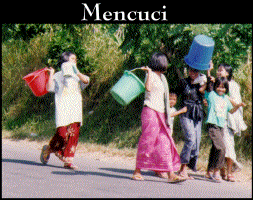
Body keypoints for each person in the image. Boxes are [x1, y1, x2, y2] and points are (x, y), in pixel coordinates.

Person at [132, 52, 186, 183]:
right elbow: (148, 88)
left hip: (161, 113)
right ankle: (137, 171)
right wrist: (149, 73)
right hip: (150, 111)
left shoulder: (163, 78)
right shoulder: (149, 75)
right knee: (148, 140)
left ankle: (171, 174)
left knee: (165, 141)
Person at [40, 51, 90, 170]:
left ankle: (68, 161)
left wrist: (77, 72)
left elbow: (86, 81)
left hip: (75, 108)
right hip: (63, 108)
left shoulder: (77, 76)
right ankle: (49, 148)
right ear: (65, 61)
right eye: (72, 59)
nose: (74, 61)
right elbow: (49, 88)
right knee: (62, 134)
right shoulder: (58, 75)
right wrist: (51, 74)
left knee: (73, 134)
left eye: (75, 60)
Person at [207, 63, 247, 182]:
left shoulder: (232, 85)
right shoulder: (218, 84)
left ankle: (228, 172)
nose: (218, 72)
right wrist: (210, 72)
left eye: (221, 70)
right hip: (219, 120)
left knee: (228, 147)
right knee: (219, 146)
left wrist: (225, 95)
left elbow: (235, 104)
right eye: (218, 70)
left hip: (229, 120)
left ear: (228, 73)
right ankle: (218, 171)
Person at [176, 66, 207, 180]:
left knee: (196, 142)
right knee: (191, 139)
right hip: (185, 113)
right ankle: (182, 168)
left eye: (196, 70)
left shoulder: (202, 83)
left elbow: (204, 92)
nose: (193, 72)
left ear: (199, 71)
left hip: (197, 114)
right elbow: (174, 95)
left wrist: (208, 73)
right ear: (188, 70)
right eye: (191, 70)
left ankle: (186, 168)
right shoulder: (183, 82)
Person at [154, 89, 187, 179]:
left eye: (174, 99)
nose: (172, 101)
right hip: (161, 133)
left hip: (168, 133)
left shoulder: (173, 108)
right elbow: (168, 115)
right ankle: (160, 170)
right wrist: (181, 111)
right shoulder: (163, 107)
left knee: (167, 151)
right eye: (170, 99)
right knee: (163, 151)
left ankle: (161, 169)